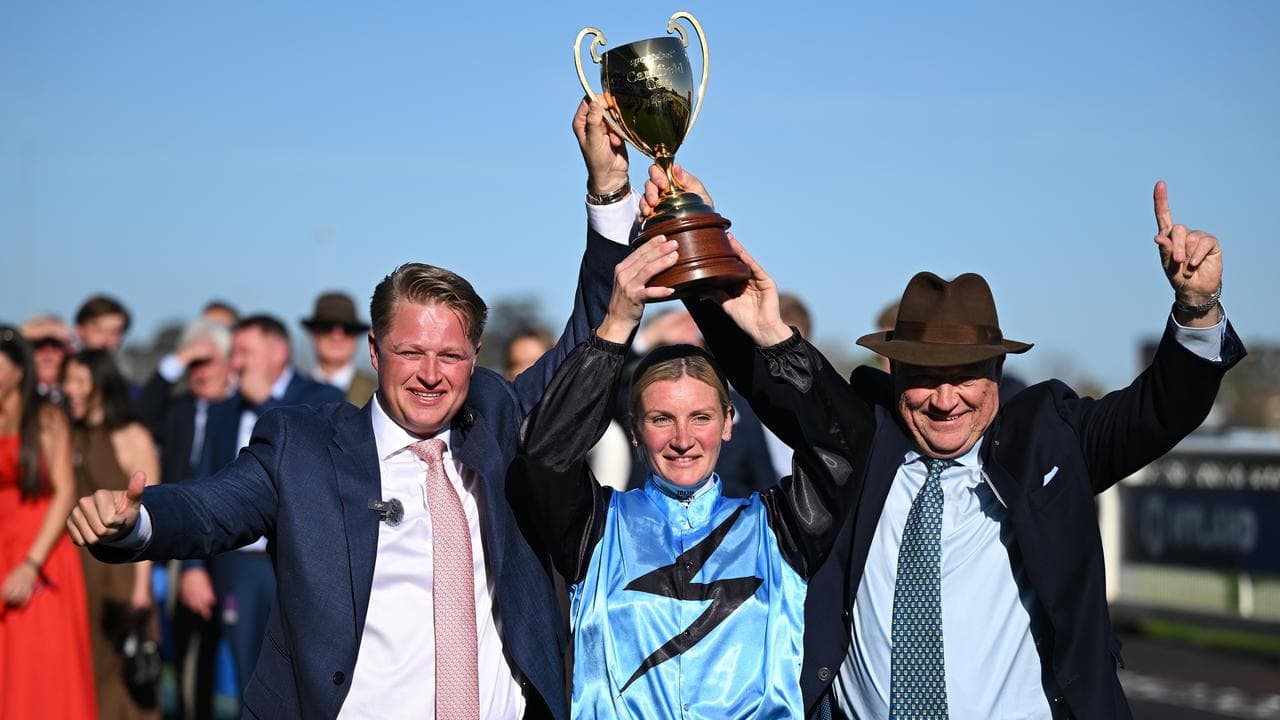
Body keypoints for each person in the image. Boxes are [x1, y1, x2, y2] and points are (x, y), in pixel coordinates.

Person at [65, 97, 639, 719]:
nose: (429, 374)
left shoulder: (498, 415)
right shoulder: (302, 446)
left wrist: (607, 193)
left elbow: (587, 342)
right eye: (409, 351)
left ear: (475, 357)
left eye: (449, 355)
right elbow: (211, 509)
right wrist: (137, 521)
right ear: (374, 351)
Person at [663, 170, 1244, 718]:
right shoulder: (864, 441)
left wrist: (1196, 310)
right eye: (922, 377)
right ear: (891, 374)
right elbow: (772, 374)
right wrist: (695, 232)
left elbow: (1161, 409)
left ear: (997, 368)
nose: (945, 399)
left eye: (965, 375)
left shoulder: (1051, 441)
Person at [517, 179, 869, 718]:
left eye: (701, 417)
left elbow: (847, 446)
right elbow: (544, 456)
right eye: (661, 419)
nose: (683, 440)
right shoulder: (594, 526)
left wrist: (770, 333)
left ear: (730, 422)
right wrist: (615, 327)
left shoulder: (781, 528)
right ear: (634, 429)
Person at [180, 313, 344, 703]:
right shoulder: (223, 411)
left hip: (297, 564)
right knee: (248, 679)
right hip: (237, 567)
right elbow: (202, 487)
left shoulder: (322, 399)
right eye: (233, 353)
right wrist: (191, 569)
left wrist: (267, 403)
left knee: (303, 681)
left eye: (244, 352)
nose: (235, 363)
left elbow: (315, 464)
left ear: (278, 352)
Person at [135, 315, 235, 720]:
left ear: (230, 363)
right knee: (189, 647)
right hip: (183, 541)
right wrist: (180, 357)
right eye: (193, 365)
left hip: (235, 540)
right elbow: (142, 413)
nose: (201, 372)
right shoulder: (179, 410)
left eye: (209, 361)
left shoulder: (244, 408)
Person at [0, 327, 97, 718]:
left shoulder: (47, 418)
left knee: (42, 666)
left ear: (18, 371)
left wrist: (31, 564)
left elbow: (64, 492)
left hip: (41, 551)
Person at [62, 349, 163, 718]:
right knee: (89, 669)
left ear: (101, 386)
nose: (69, 389)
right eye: (66, 380)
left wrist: (141, 588)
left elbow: (152, 517)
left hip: (124, 569)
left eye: (79, 382)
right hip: (77, 572)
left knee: (129, 673)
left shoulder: (132, 435)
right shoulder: (68, 433)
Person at [504, 327, 631, 491]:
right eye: (515, 363)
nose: (523, 372)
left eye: (535, 363)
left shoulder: (605, 434)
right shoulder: (498, 427)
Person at [303, 291, 378, 407]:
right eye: (326, 327)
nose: (337, 336)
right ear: (314, 335)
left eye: (348, 328)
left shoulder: (378, 395)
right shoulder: (292, 393)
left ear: (356, 337)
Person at [20, 313, 73, 404]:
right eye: (38, 345)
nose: (48, 354)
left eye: (56, 344)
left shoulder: (76, 399)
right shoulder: (17, 396)